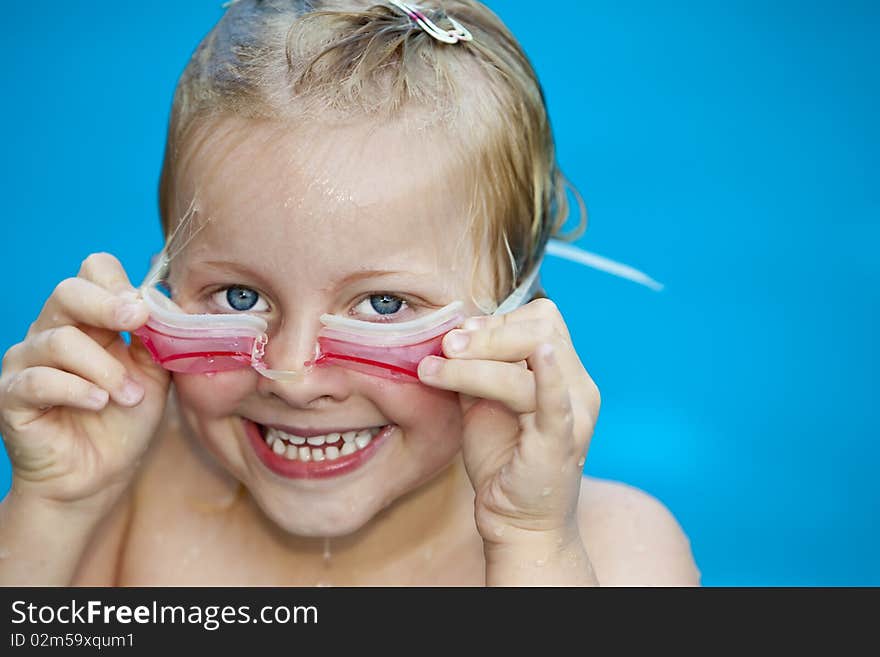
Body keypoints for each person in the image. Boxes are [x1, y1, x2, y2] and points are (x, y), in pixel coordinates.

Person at [0, 0, 699, 586]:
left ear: (520, 314)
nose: (294, 375)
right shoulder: (124, 502)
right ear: (162, 288)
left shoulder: (619, 551)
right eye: (239, 297)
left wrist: (529, 542)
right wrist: (54, 504)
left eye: (384, 306)